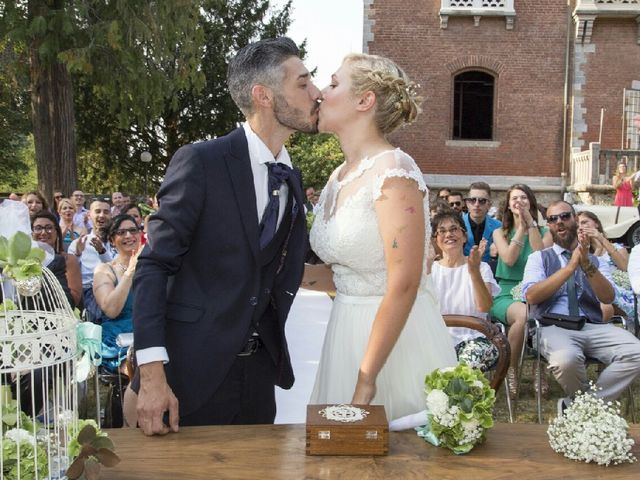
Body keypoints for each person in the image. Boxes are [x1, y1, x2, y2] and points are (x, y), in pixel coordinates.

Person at [131, 37, 320, 435]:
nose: (316, 93)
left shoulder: (291, 176)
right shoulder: (202, 161)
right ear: (263, 95)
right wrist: (151, 375)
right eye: (303, 83)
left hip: (258, 379)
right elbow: (154, 265)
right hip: (188, 378)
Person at [303, 53, 456, 421]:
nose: (321, 92)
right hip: (344, 332)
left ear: (365, 100)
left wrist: (366, 379)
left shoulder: (394, 170)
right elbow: (349, 274)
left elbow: (402, 283)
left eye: (334, 83)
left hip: (393, 345)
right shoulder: (338, 175)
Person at [523, 200, 640, 410]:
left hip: (591, 325)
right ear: (548, 225)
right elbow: (532, 296)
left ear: (576, 220)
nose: (559, 222)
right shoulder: (538, 258)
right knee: (566, 359)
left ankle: (580, 407)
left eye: (565, 216)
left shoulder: (596, 260)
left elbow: (607, 297)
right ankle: (588, 409)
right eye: (553, 219)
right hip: (552, 326)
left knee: (636, 351)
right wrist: (569, 268)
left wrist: (585, 264)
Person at [490, 184, 553, 398]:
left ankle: (540, 370)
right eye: (515, 198)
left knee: (547, 315)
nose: (519, 201)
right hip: (507, 292)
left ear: (531, 203)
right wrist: (521, 228)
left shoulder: (546, 232)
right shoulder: (500, 232)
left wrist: (530, 224)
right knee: (524, 316)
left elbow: (540, 256)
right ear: (508, 205)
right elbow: (508, 259)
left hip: (537, 289)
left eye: (524, 198)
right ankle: (511, 371)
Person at [430, 212, 500, 372]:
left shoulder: (482, 268)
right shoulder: (430, 270)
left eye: (454, 229)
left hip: (475, 338)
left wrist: (473, 271)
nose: (449, 234)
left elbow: (484, 307)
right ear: (436, 240)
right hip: (437, 339)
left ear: (464, 236)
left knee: (466, 366)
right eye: (442, 231)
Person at [93, 215, 142, 373]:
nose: (128, 235)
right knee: (143, 369)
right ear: (112, 241)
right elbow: (111, 310)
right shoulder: (105, 270)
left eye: (133, 230)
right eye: (121, 232)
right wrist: (130, 272)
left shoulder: (153, 267)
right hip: (120, 340)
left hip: (150, 331)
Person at [576, 210, 634, 320]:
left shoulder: (617, 247)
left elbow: (625, 267)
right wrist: (596, 249)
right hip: (597, 293)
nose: (581, 227)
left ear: (596, 224)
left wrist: (602, 240)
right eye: (577, 225)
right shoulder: (581, 253)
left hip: (622, 293)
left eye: (584, 222)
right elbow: (586, 274)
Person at [68, 200, 114, 320]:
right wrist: (77, 255)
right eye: (97, 211)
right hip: (88, 291)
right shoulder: (78, 243)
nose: (102, 215)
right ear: (89, 215)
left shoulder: (118, 241)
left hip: (114, 289)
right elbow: (72, 273)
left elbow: (116, 268)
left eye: (106, 212)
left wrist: (102, 252)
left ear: (111, 215)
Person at [30, 211, 80, 308]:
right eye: (38, 228)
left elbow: (74, 298)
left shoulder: (68, 259)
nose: (43, 233)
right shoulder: (24, 261)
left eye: (49, 228)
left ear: (57, 233)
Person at [462, 181, 501, 263]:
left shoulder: (498, 226)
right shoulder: (457, 224)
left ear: (489, 205)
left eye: (482, 201)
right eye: (473, 200)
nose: (476, 204)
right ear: (467, 203)